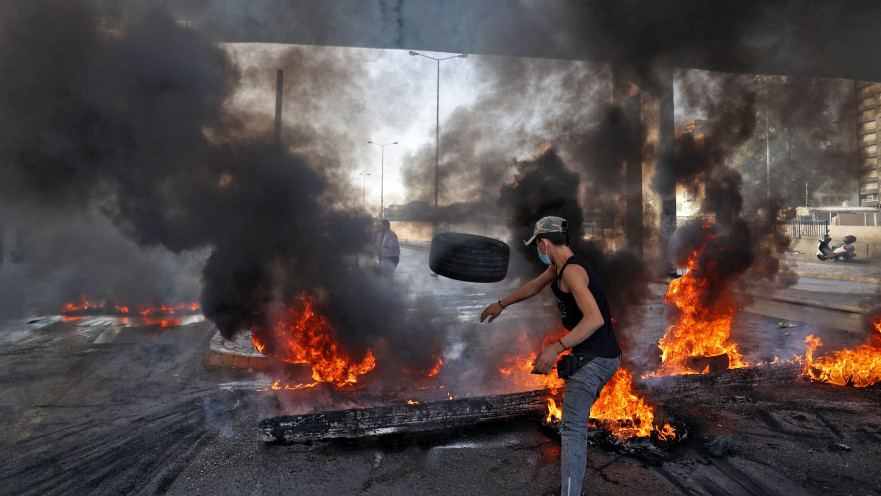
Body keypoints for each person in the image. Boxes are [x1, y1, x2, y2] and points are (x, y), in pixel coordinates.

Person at [479, 216, 622, 496]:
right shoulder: (559, 267)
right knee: (574, 424)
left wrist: (556, 347)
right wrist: (501, 304)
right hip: (599, 354)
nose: (538, 251)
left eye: (537, 245)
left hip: (596, 359)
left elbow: (594, 319)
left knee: (573, 429)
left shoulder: (572, 272)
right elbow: (534, 286)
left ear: (544, 242)